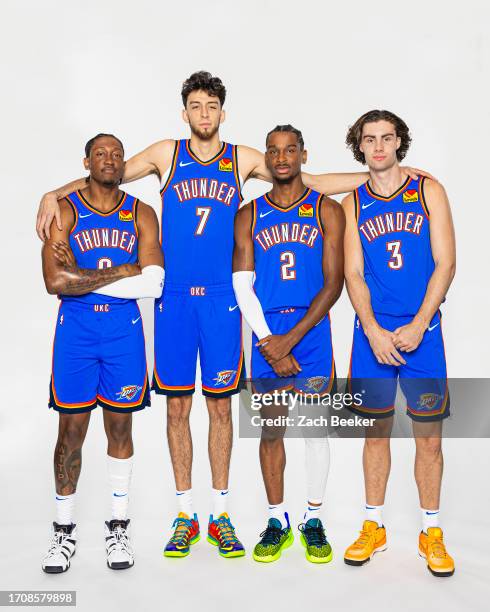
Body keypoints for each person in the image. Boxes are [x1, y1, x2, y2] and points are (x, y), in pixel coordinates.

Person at [36, 72, 426, 559]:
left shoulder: (241, 157)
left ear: (223, 112)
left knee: (221, 406)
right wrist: (52, 193)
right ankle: (184, 514)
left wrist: (393, 176)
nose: (204, 114)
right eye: (196, 106)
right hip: (174, 297)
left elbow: (311, 180)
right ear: (185, 113)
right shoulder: (165, 152)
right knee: (178, 407)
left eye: (212, 106)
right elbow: (105, 175)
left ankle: (220, 514)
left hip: (223, 298)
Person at [41, 134, 163, 572]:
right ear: (86, 161)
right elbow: (55, 282)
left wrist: (84, 273)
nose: (108, 160)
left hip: (122, 334)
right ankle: (63, 532)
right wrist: (125, 269)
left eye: (116, 155)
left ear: (123, 162)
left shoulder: (141, 213)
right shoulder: (66, 209)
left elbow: (154, 283)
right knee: (70, 434)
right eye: (100, 154)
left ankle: (117, 528)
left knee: (120, 430)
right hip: (75, 333)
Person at [341, 110, 456, 577]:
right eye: (370, 140)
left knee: (428, 436)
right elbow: (352, 272)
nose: (380, 146)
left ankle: (431, 531)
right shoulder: (352, 203)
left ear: (399, 142)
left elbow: (445, 264)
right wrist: (370, 327)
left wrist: (417, 324)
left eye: (387, 138)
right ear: (361, 147)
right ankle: (374, 526)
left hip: (421, 334)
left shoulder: (429, 190)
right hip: (373, 335)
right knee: (375, 432)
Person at [233, 125, 345, 563]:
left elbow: (334, 284)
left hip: (311, 332)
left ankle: (312, 520)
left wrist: (290, 342)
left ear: (303, 155)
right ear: (267, 156)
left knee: (316, 430)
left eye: (290, 150)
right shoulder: (249, 214)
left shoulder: (326, 209)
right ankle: (276, 519)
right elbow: (243, 284)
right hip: (266, 333)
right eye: (274, 151)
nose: (282, 158)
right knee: (272, 427)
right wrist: (268, 341)